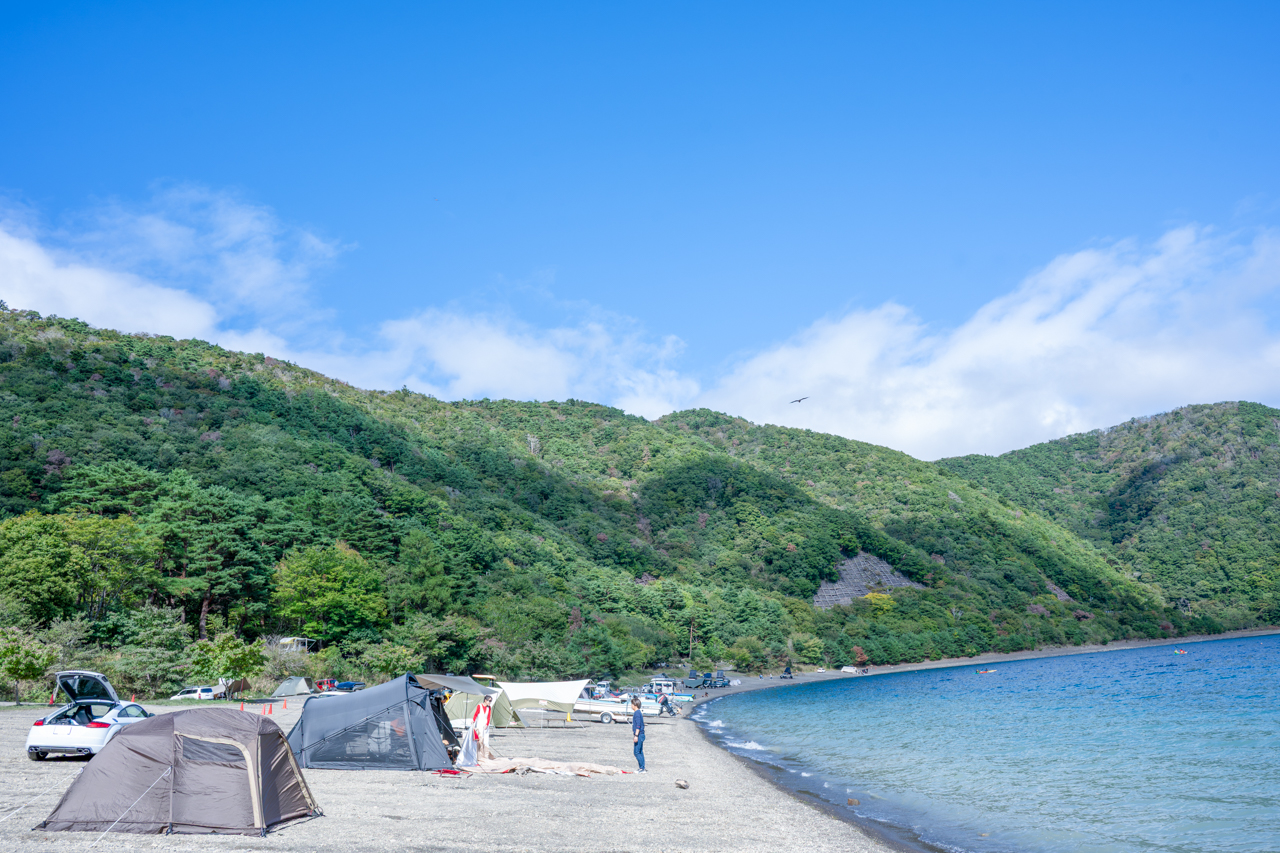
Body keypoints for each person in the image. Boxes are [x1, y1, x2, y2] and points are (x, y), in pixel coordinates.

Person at [458, 694, 494, 766]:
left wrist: (487, 724)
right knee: (480, 739)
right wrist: (473, 720)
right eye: (489, 701)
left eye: (491, 701)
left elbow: (489, 716)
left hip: (485, 725)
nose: (490, 702)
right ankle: (479, 755)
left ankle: (485, 755)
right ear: (485, 700)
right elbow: (476, 714)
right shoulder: (479, 706)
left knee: (486, 740)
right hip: (480, 724)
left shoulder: (489, 708)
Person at [631, 696, 645, 772]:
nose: (631, 706)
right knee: (640, 751)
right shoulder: (638, 712)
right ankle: (642, 767)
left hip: (639, 735)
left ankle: (642, 768)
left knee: (636, 752)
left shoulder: (637, 713)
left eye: (632, 704)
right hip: (641, 735)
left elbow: (638, 725)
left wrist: (636, 735)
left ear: (635, 705)